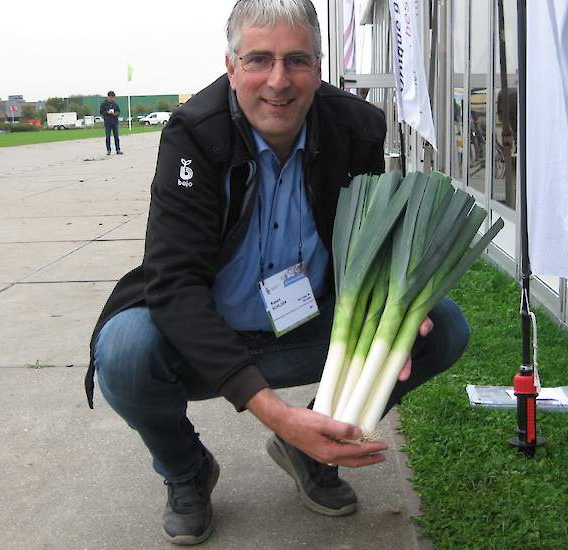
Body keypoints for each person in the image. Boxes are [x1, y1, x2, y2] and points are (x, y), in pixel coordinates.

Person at [85, 0, 470, 545]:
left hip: (311, 325)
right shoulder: (195, 134)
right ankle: (187, 469)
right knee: (124, 351)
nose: (278, 82)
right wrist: (275, 413)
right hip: (208, 338)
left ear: (319, 65)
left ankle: (314, 445)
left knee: (444, 324)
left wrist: (394, 309)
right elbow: (173, 283)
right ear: (231, 65)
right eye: (259, 60)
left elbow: (369, 246)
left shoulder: (355, 128)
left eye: (297, 61)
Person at [99, 91, 122, 155]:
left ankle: (118, 150)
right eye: (111, 97)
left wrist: (115, 113)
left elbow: (118, 111)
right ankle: (108, 150)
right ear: (108, 97)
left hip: (115, 122)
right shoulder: (103, 104)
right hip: (107, 122)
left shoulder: (115, 104)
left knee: (116, 137)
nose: (112, 99)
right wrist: (107, 112)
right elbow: (101, 112)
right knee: (108, 137)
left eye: (113, 98)